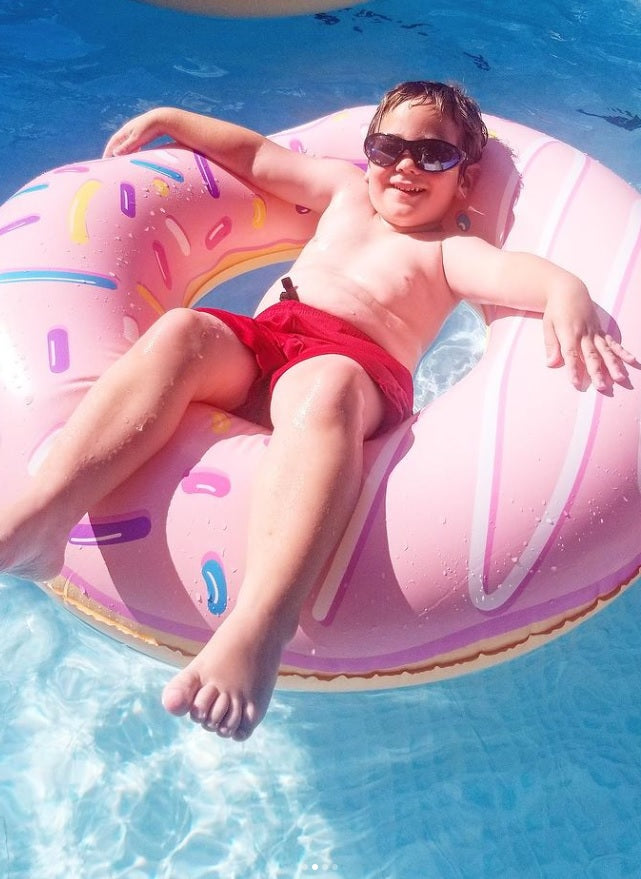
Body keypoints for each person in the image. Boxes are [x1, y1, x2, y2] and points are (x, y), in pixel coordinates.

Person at [0, 81, 635, 742]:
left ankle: (260, 626)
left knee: (323, 386)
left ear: (465, 176)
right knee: (182, 333)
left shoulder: (449, 251)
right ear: (368, 152)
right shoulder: (344, 193)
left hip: (352, 369)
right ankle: (47, 510)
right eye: (388, 148)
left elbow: (530, 277)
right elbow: (257, 155)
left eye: (432, 156)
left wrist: (566, 292)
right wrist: (173, 118)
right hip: (265, 341)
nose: (406, 167)